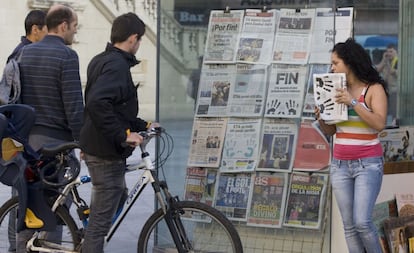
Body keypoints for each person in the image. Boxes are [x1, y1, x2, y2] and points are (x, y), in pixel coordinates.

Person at [79, 12, 158, 253]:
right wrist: (123, 135)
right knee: (99, 226)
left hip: (101, 147)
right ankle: (90, 241)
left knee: (119, 193)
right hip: (105, 151)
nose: (140, 44)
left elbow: (115, 107)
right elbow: (97, 103)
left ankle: (90, 225)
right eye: (140, 39)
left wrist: (142, 126)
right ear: (133, 38)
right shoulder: (115, 65)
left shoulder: (103, 59)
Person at [16, 4, 84, 253]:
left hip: (30, 141)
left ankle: (24, 248)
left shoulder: (27, 53)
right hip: (57, 144)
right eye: (75, 27)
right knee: (57, 204)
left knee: (31, 202)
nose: (75, 33)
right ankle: (51, 248)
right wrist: (82, 141)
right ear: (64, 25)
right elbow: (74, 106)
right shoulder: (67, 56)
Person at [315, 38, 388, 253]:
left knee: (362, 222)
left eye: (336, 63)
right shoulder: (336, 90)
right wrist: (322, 118)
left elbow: (379, 124)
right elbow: (332, 132)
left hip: (368, 164)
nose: (332, 67)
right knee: (349, 226)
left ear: (350, 62)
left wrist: (353, 103)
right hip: (340, 164)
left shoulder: (373, 89)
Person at [5, 9, 47, 253]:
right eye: (45, 30)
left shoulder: (18, 54)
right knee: (21, 196)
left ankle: (16, 247)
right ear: (35, 29)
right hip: (24, 137)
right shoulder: (24, 55)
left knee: (21, 194)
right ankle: (16, 248)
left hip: (19, 136)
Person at [376, 43, 398, 123]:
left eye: (391, 52)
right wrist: (384, 60)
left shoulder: (398, 61)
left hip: (395, 91)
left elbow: (394, 72)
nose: (389, 54)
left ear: (396, 52)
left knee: (393, 110)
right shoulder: (386, 61)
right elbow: (377, 70)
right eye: (388, 52)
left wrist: (391, 68)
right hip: (387, 90)